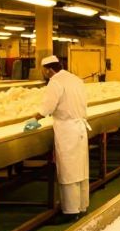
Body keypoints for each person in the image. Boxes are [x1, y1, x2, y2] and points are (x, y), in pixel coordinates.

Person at [24, 55, 90, 219]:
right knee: (80, 168)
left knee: (68, 170)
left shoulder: (55, 82)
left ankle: (70, 211)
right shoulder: (75, 79)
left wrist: (35, 118)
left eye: (43, 70)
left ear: (48, 69)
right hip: (79, 127)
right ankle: (82, 205)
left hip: (67, 130)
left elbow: (48, 105)